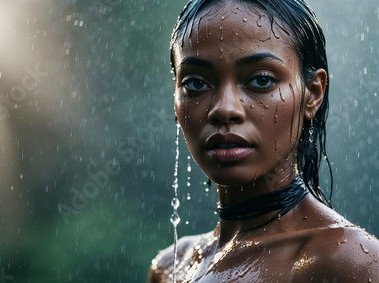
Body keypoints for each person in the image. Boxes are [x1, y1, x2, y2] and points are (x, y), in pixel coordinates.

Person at [148, 0, 379, 282]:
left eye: (261, 80)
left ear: (313, 93)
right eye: (196, 83)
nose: (224, 108)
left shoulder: (345, 262)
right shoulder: (172, 267)